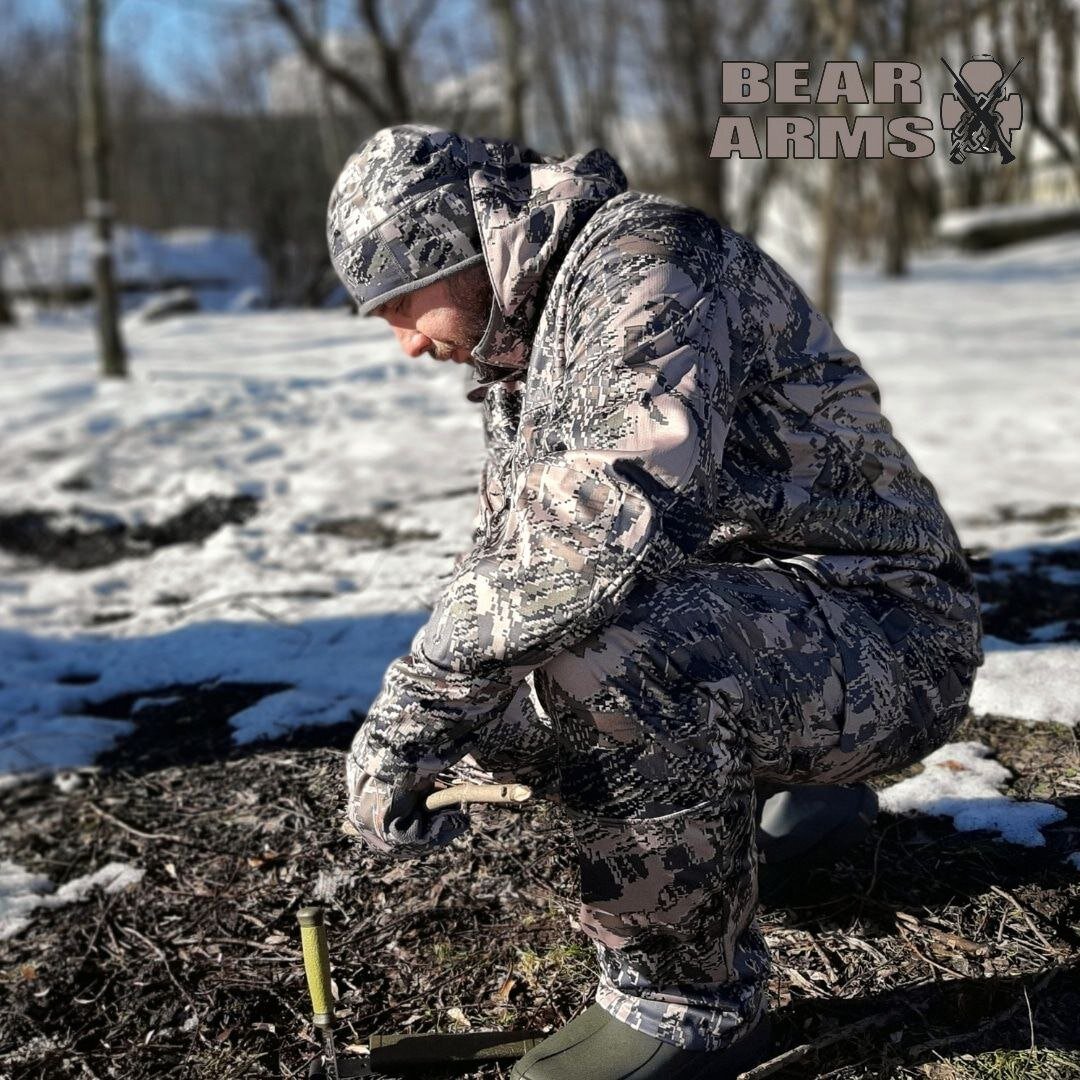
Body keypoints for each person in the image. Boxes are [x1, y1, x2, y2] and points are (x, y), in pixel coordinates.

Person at [327, 125, 983, 1079]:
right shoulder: (534, 338)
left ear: (457, 246)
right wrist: (455, 715)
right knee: (511, 687)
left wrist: (413, 707)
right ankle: (785, 807)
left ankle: (685, 1005)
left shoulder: (645, 265)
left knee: (592, 654)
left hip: (895, 638)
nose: (405, 344)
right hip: (792, 625)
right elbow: (511, 550)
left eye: (400, 304)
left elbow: (596, 532)